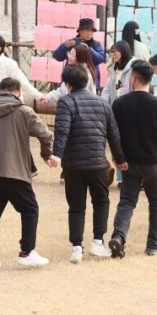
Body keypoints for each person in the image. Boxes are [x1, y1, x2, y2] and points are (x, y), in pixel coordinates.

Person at [0, 77, 53, 271]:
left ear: (0, 90)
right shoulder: (25, 111)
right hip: (16, 172)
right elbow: (46, 135)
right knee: (30, 209)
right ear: (18, 92)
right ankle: (27, 252)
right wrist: (46, 154)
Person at [51, 65, 127, 263]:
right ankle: (98, 242)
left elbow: (61, 130)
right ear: (86, 81)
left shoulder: (66, 102)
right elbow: (114, 135)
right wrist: (120, 160)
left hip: (73, 165)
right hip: (97, 163)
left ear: (68, 85)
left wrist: (57, 154)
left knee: (76, 206)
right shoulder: (103, 104)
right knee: (101, 202)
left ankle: (77, 247)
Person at [107, 60, 157, 258]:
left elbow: (112, 134)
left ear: (133, 78)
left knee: (127, 201)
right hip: (154, 162)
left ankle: (118, 237)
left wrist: (118, 158)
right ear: (150, 78)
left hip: (129, 162)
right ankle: (153, 245)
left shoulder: (119, 104)